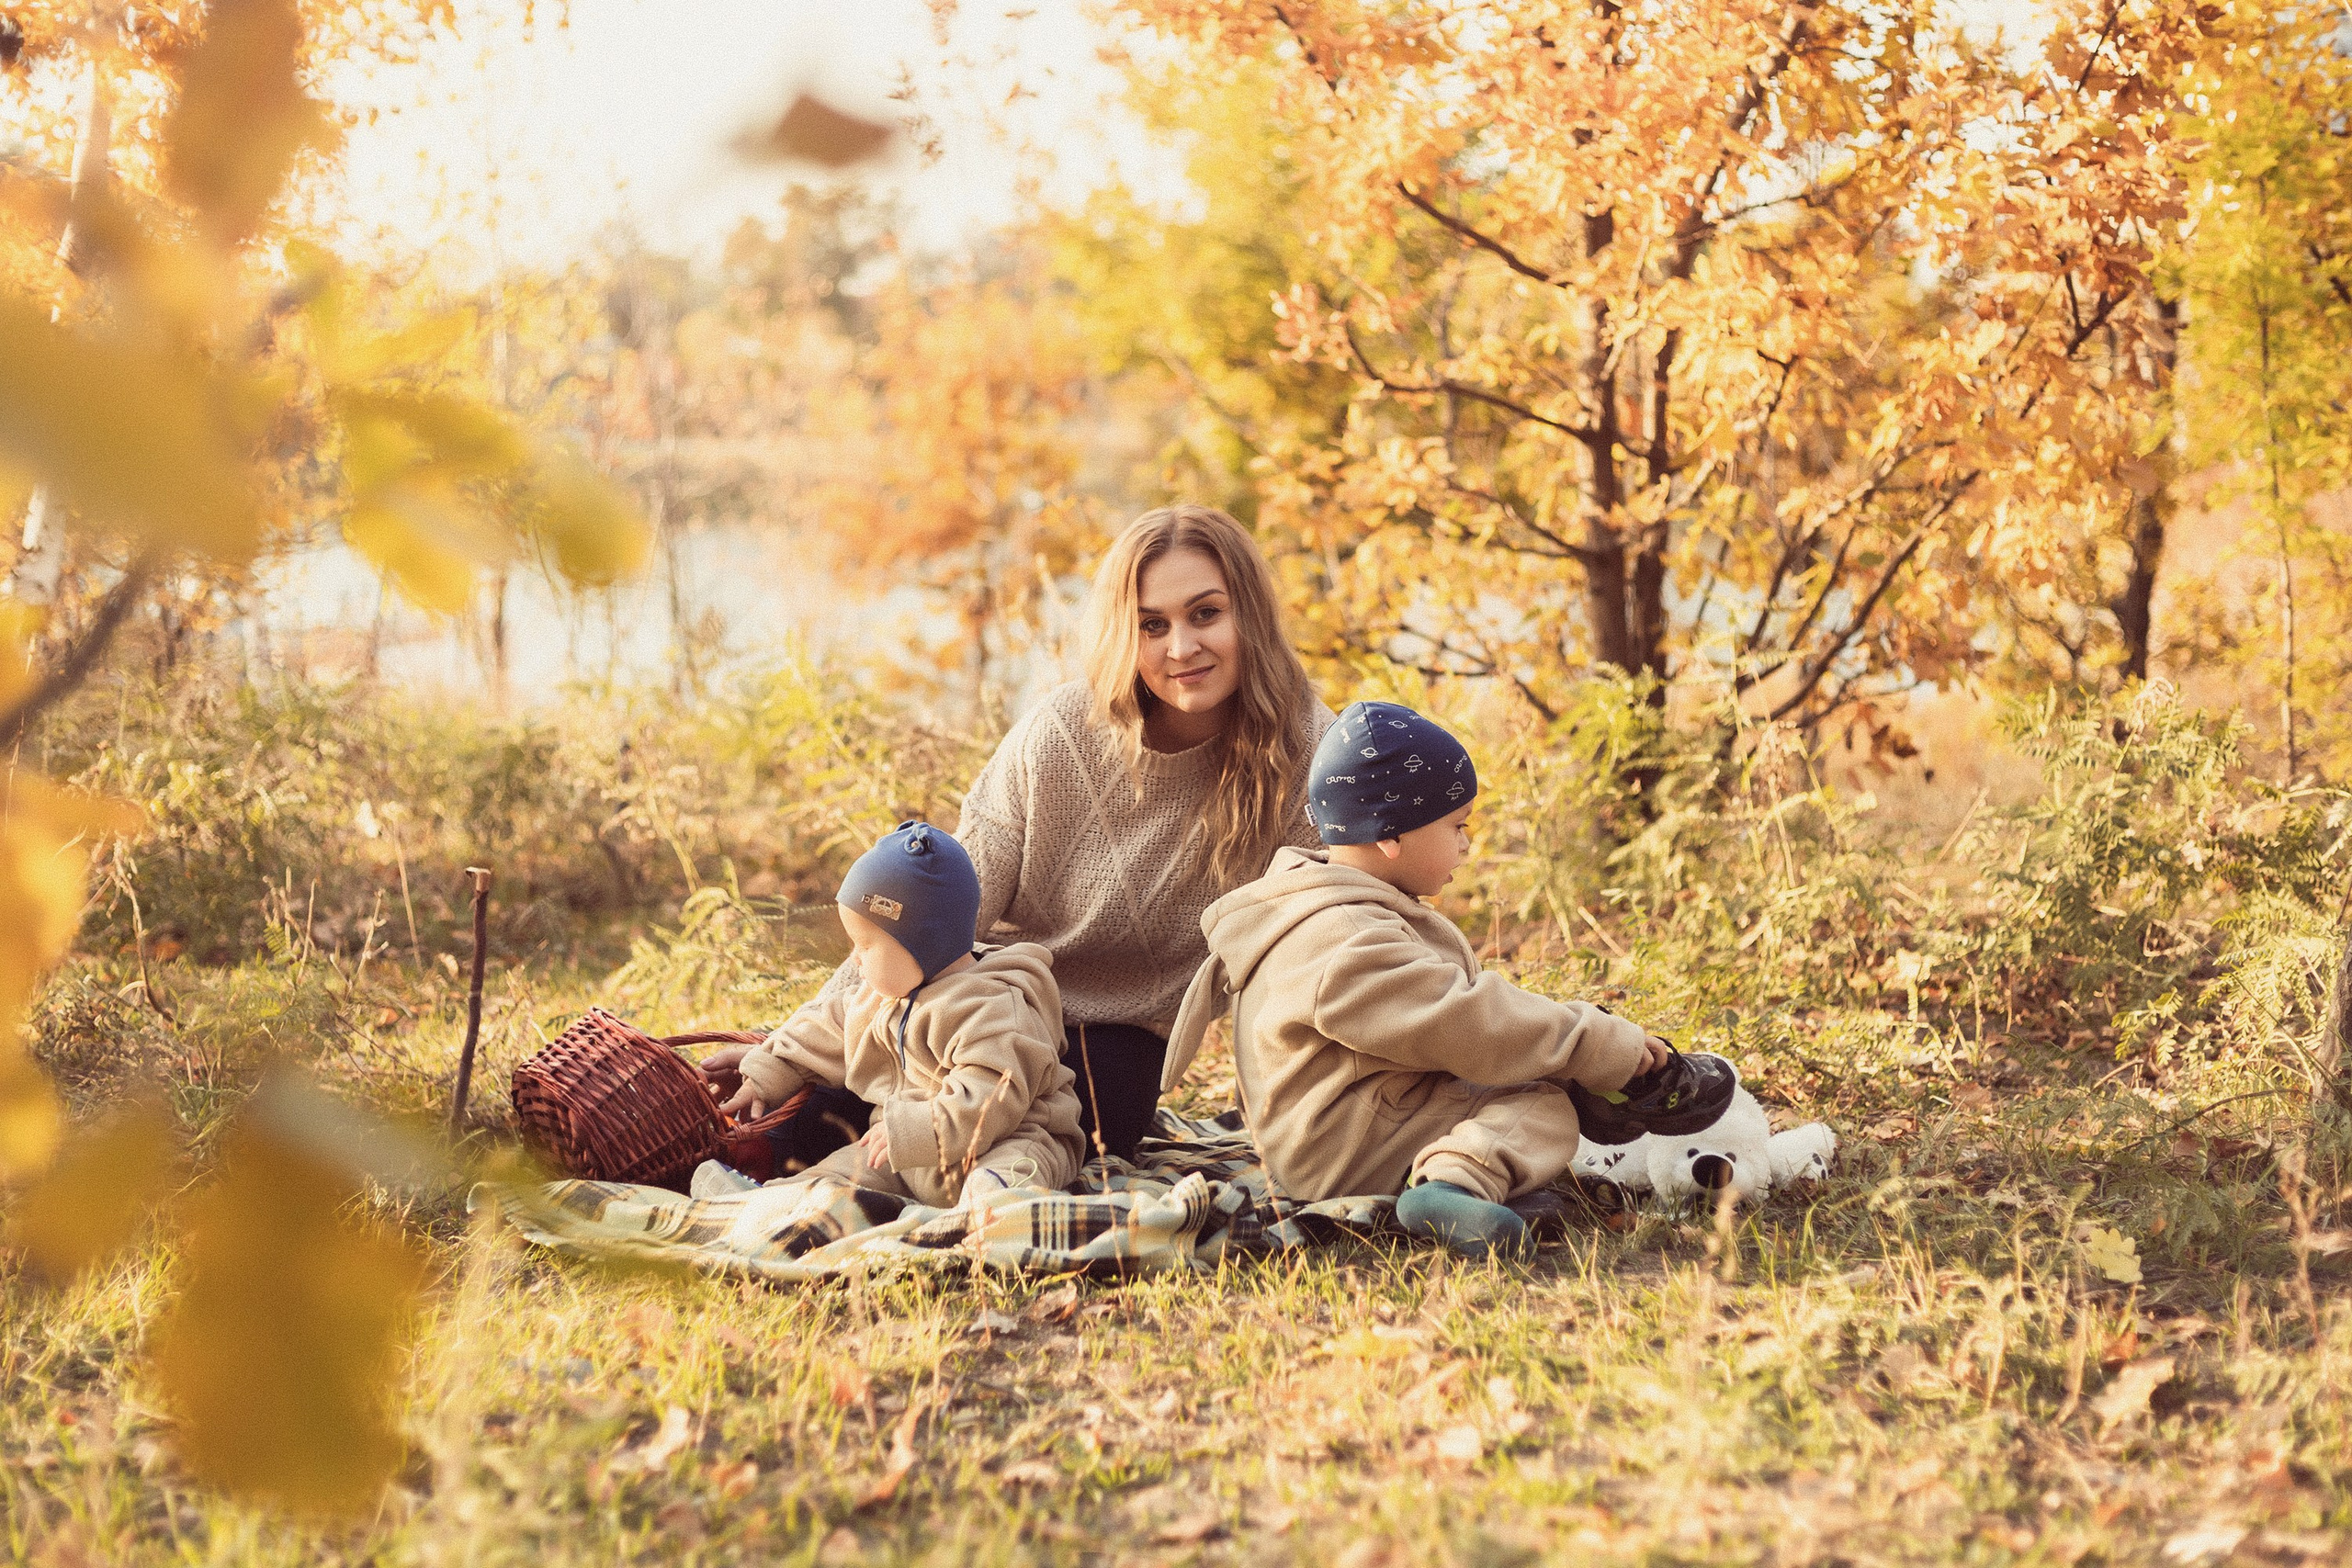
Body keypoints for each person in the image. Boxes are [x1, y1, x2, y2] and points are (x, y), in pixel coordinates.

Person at [706, 503, 1332, 1165]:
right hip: (980, 999)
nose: (1181, 647)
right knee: (823, 1110)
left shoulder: (1308, 752)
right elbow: (931, 912)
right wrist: (787, 1048)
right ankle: (768, 1158)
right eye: (1152, 624)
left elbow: (1328, 939)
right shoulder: (1063, 732)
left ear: (1248, 614)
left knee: (1052, 1116)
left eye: (1205, 614)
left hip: (1114, 1045)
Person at [1160, 700, 1736, 1258]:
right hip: (1344, 1156)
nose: (1466, 842)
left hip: (1355, 1120)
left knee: (1528, 1072)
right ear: (1390, 835)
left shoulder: (1337, 911)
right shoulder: (1344, 942)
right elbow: (1464, 1021)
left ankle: (1491, 1182)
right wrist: (1590, 1043)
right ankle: (1451, 1189)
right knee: (1540, 1105)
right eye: (1456, 826)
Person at [713, 820, 1085, 1210]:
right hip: (908, 1155)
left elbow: (991, 1098)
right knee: (834, 1178)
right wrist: (767, 1070)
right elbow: (826, 1025)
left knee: (1001, 1184)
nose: (855, 959)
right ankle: (761, 1207)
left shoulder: (994, 1008)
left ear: (923, 943)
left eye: (865, 945)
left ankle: (990, 1217)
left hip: (1007, 1141)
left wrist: (912, 1130)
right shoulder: (883, 996)